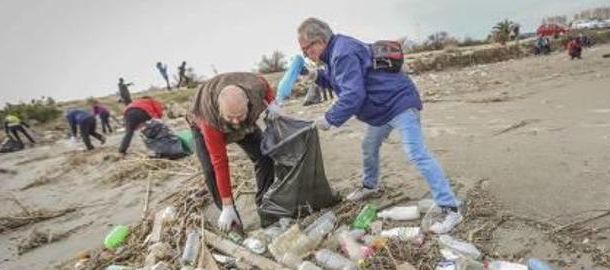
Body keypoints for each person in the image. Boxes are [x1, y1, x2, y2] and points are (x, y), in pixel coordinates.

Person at [297, 17, 462, 234]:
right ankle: (370, 186)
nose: (305, 54)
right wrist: (316, 75)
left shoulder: (342, 52)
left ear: (318, 42)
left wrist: (330, 118)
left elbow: (353, 94)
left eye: (305, 49)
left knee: (415, 152)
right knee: (369, 145)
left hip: (399, 104)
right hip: (383, 110)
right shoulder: (337, 52)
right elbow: (340, 79)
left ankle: (451, 208)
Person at [187, 72, 278, 232]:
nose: (235, 121)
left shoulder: (255, 87)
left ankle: (268, 208)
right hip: (203, 123)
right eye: (231, 117)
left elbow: (265, 86)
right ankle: (233, 222)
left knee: (265, 156)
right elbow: (220, 162)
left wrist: (273, 104)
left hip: (243, 118)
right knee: (211, 172)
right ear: (221, 110)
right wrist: (227, 205)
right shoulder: (209, 121)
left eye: (239, 115)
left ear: (248, 103)